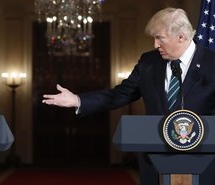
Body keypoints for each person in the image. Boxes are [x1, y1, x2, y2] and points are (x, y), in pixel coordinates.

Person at [42, 7, 215, 185]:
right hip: (155, 163)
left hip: (203, 164)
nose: (155, 45)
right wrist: (78, 100)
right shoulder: (149, 62)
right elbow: (120, 94)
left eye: (160, 38)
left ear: (181, 36)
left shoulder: (212, 63)